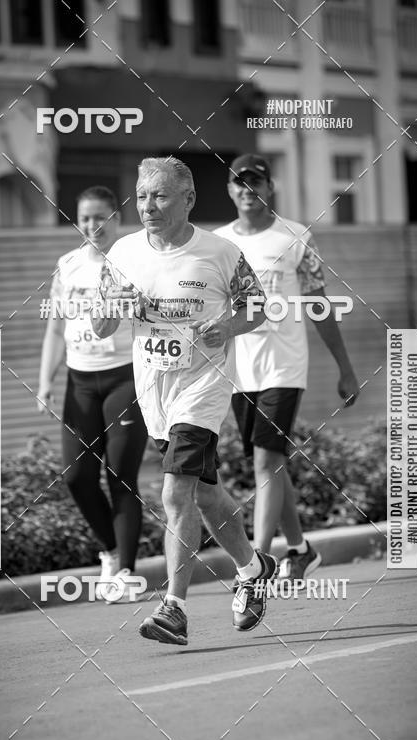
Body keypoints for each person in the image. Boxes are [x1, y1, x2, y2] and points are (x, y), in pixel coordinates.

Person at [93, 156, 277, 646]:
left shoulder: (220, 252)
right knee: (203, 494)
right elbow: (99, 325)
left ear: (188, 199)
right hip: (155, 387)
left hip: (205, 384)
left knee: (175, 493)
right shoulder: (124, 253)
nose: (147, 206)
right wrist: (116, 309)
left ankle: (174, 607)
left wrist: (228, 325)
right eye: (142, 195)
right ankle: (253, 566)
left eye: (160, 196)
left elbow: (257, 307)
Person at [215, 154, 360, 582]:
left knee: (265, 461)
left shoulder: (297, 237)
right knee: (272, 464)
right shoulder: (219, 243)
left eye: (255, 181)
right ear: (229, 190)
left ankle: (257, 564)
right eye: (239, 182)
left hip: (285, 367)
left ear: (269, 186)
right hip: (241, 371)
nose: (247, 189)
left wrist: (345, 369)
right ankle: (299, 549)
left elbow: (320, 304)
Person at [37, 186, 148, 603]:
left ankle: (127, 573)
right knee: (77, 478)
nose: (92, 226)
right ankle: (110, 551)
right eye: (84, 218)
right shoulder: (66, 266)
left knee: (121, 476)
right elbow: (54, 328)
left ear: (116, 218)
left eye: (100, 218)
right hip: (79, 382)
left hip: (123, 379)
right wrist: (45, 381)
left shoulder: (132, 263)